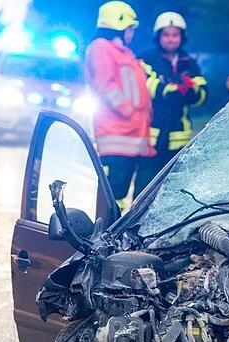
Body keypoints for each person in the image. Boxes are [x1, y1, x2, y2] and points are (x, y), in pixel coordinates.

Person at [85, 1, 154, 207]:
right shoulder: (100, 48)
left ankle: (116, 231)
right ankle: (107, 233)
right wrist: (129, 111)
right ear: (119, 24)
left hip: (132, 135)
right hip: (117, 135)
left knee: (123, 195)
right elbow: (105, 86)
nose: (132, 33)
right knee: (113, 195)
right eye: (130, 28)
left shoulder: (123, 53)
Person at [138, 12, 207, 195]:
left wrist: (192, 91)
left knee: (172, 190)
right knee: (144, 188)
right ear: (158, 36)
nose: (170, 39)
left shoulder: (189, 62)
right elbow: (144, 84)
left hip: (179, 136)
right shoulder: (146, 58)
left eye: (175, 35)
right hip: (151, 135)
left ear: (181, 37)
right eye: (166, 35)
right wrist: (169, 90)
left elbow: (202, 94)